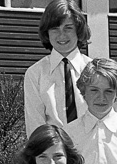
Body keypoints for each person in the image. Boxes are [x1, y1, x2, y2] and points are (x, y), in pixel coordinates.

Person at [24, 0, 92, 135]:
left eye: (68, 28)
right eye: (55, 29)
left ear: (78, 30)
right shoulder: (35, 74)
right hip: (54, 151)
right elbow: (35, 126)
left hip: (92, 149)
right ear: (47, 33)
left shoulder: (94, 69)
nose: (62, 35)